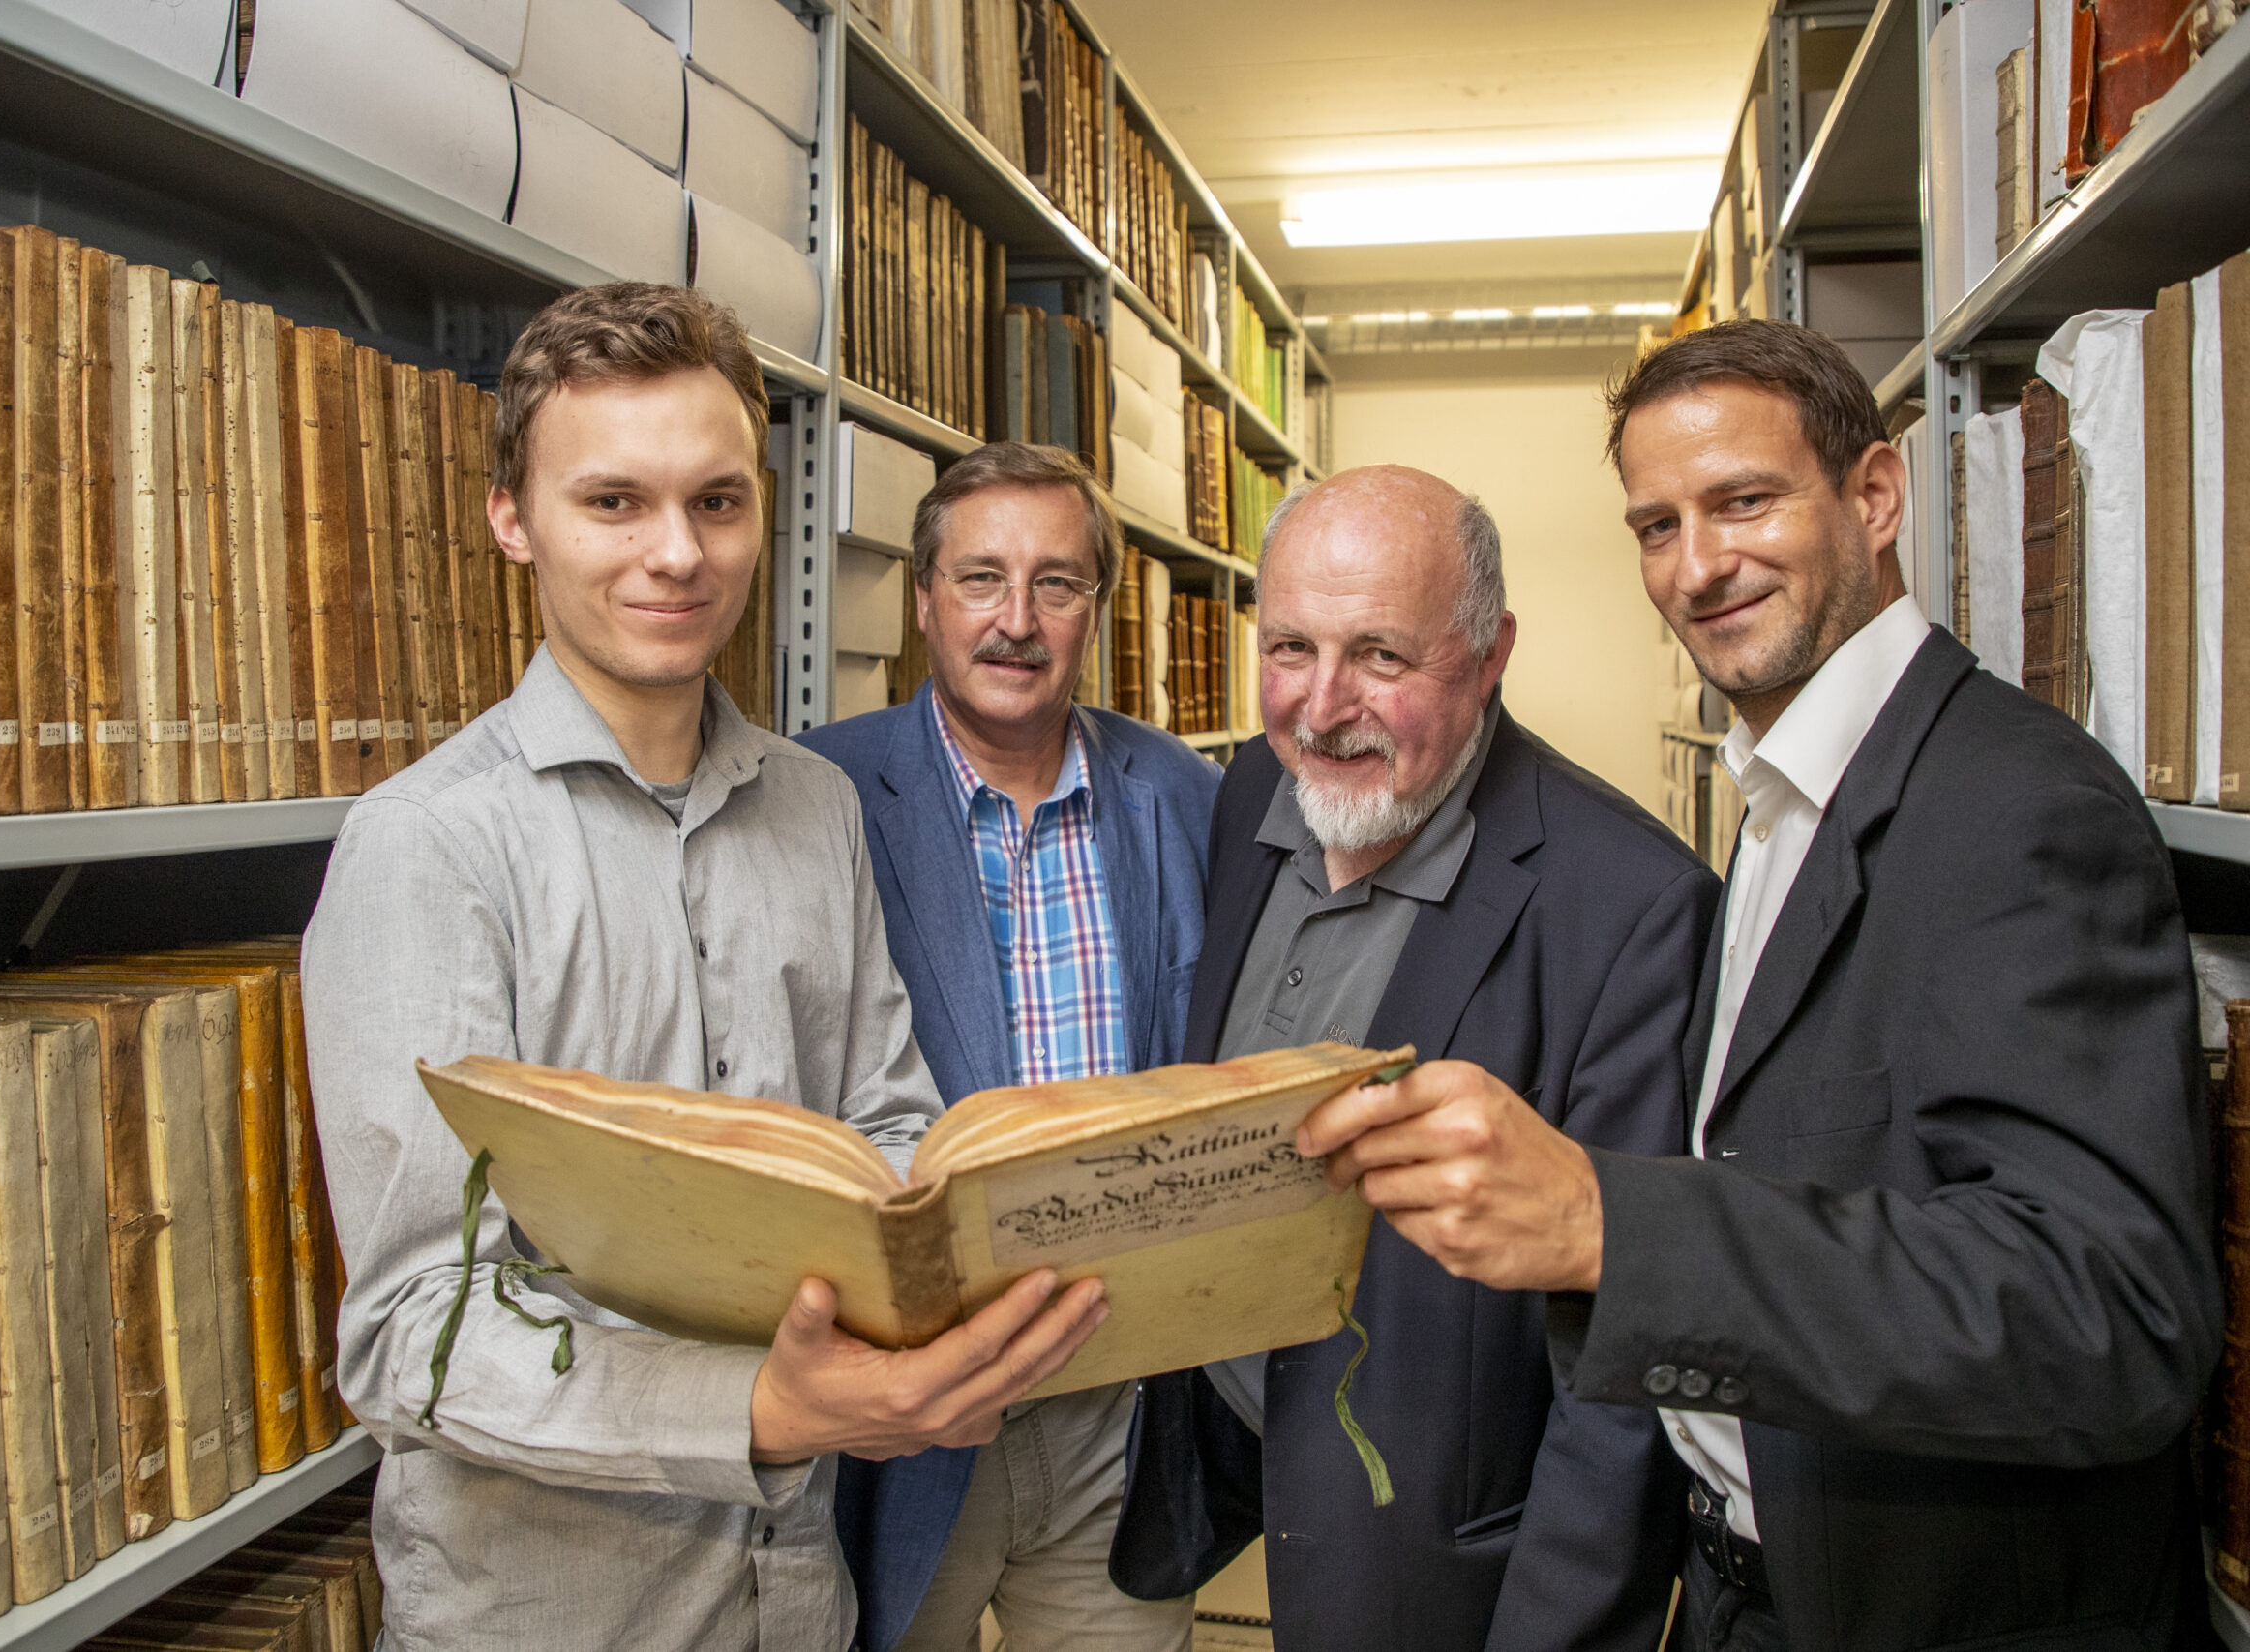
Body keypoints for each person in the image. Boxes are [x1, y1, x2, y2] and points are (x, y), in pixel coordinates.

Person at [1296, 319, 2222, 1651]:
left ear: (1877, 496)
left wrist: (1614, 1224)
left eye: (1745, 501)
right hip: (1750, 1587)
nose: (1699, 564)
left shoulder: (2014, 804)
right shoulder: (1786, 793)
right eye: (1657, 525)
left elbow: (2110, 1312)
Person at [300, 284, 1108, 1652]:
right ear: (513, 517)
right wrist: (766, 1408)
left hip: (800, 1597)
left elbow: (889, 1120)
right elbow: (409, 1335)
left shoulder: (816, 806)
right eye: (612, 502)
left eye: (718, 502)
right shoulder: (425, 848)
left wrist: (940, 1298)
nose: (677, 553)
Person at [1109, 466, 1714, 1650]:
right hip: (1240, 1459)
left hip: (1430, 1545)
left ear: (1489, 655)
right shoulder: (1249, 795)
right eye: (1288, 648)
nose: (1321, 705)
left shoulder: (1632, 906)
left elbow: (1632, 1359)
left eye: (1381, 656)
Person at [799, 442, 1219, 1652]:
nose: (1017, 621)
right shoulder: (819, 796)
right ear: (924, 599)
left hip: (1118, 1398)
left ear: (1099, 603)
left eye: (1057, 582)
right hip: (909, 1409)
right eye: (980, 579)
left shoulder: (1183, 795)